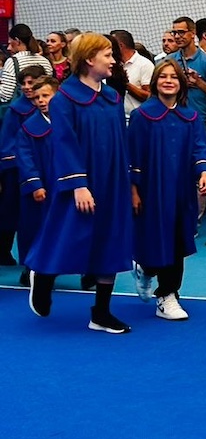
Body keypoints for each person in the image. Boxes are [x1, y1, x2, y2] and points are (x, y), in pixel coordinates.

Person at [26, 32, 133, 333]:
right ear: (88, 60)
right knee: (67, 236)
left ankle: (101, 313)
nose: (113, 61)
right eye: (107, 55)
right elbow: (64, 143)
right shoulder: (64, 100)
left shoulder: (112, 97)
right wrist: (78, 184)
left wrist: (126, 180)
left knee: (110, 241)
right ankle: (43, 274)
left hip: (112, 181)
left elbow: (120, 141)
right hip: (79, 182)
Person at [130, 58, 206, 320]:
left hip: (181, 191)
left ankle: (168, 294)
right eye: (164, 76)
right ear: (155, 81)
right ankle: (147, 268)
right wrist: (133, 190)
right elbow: (133, 155)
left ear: (181, 83)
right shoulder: (142, 116)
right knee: (156, 239)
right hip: (151, 190)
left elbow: (200, 147)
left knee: (177, 241)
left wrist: (204, 173)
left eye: (174, 77)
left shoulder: (191, 118)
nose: (169, 81)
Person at [1, 64, 52, 275]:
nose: (27, 87)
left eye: (31, 82)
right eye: (23, 83)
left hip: (45, 170)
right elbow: (7, 141)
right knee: (12, 212)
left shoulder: (54, 111)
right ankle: (7, 251)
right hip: (16, 169)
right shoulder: (16, 110)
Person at [14, 73, 56, 278]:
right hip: (41, 186)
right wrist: (35, 184)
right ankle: (32, 267)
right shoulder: (28, 128)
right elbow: (25, 158)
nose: (41, 101)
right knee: (35, 227)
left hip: (63, 184)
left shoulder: (69, 122)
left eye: (46, 96)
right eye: (37, 97)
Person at [168, 16, 206, 126]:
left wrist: (198, 82)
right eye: (174, 33)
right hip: (173, 119)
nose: (177, 36)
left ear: (193, 33)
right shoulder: (168, 61)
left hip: (199, 120)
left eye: (181, 32)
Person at [1, 23, 51, 104]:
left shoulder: (12, 62)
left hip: (21, 107)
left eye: (10, 42)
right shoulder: (45, 61)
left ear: (17, 41)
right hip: (42, 105)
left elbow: (6, 95)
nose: (8, 47)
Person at [109, 29, 154, 118]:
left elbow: (149, 96)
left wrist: (125, 84)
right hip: (117, 116)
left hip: (139, 118)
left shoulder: (144, 64)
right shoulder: (113, 64)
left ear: (120, 45)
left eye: (112, 44)